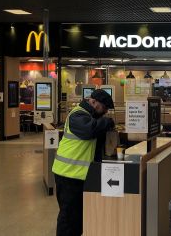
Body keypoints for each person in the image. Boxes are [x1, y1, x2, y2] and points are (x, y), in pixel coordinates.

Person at [52, 89, 115, 236]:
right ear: (93, 102)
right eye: (103, 108)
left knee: (77, 219)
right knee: (68, 220)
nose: (105, 112)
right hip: (67, 175)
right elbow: (90, 130)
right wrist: (108, 122)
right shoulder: (77, 114)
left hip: (78, 175)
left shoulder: (88, 116)